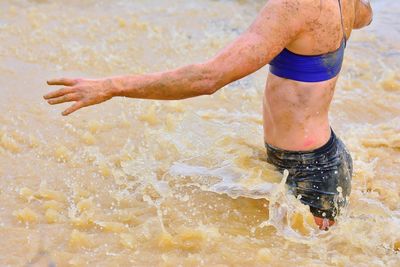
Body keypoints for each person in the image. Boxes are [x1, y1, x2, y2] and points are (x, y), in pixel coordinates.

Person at [44, 0, 373, 230]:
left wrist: (112, 85)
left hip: (310, 175)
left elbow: (207, 78)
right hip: (322, 158)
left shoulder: (292, 6)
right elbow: (366, 16)